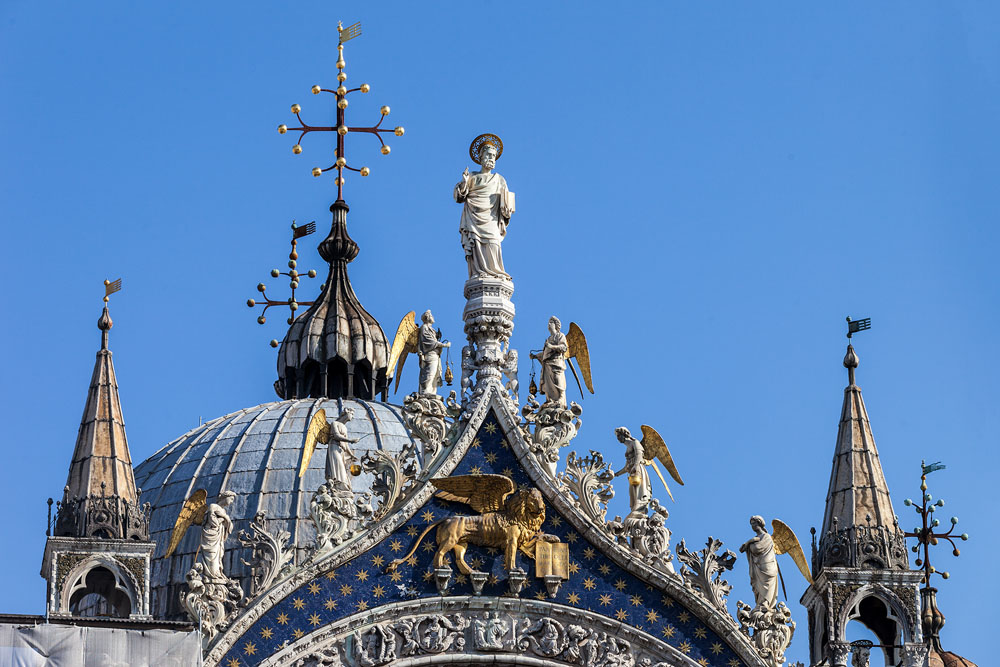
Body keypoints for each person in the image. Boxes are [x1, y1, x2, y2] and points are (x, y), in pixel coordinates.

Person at [454, 140, 514, 280]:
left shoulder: (499, 180)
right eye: (488, 155)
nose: (491, 158)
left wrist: (507, 209)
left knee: (493, 243)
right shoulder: (472, 177)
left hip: (492, 218)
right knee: (476, 245)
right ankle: (478, 272)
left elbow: (506, 202)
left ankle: (495, 272)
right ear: (481, 157)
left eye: (493, 156)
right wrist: (464, 183)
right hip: (474, 218)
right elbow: (459, 197)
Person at [739, 515, 779, 610]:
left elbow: (757, 548)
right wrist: (751, 542)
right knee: (758, 587)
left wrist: (750, 542)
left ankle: (766, 603)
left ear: (760, 523)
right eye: (751, 524)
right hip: (758, 566)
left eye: (754, 523)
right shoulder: (757, 538)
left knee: (767, 585)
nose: (752, 526)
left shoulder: (767, 537)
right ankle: (760, 603)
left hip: (767, 566)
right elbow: (745, 549)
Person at [613, 427, 651, 517]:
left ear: (624, 434)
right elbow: (626, 467)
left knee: (639, 489)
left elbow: (639, 454)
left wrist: (636, 465)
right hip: (632, 472)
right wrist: (616, 474)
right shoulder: (627, 449)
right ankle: (635, 508)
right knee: (632, 492)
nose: (618, 438)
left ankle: (640, 507)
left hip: (638, 469)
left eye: (618, 436)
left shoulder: (635, 442)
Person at [530, 317, 568, 407]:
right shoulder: (548, 338)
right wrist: (535, 356)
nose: (549, 324)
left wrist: (552, 346)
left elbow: (564, 348)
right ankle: (550, 399)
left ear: (556, 325)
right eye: (548, 323)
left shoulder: (560, 335)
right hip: (547, 364)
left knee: (557, 378)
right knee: (547, 384)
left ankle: (561, 398)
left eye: (551, 322)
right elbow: (545, 353)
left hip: (556, 362)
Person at [200, 490, 236, 580]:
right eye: (231, 499)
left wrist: (226, 520)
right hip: (210, 535)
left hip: (218, 537)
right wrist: (224, 518)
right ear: (225, 497)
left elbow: (228, 526)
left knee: (218, 555)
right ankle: (211, 575)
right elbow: (213, 522)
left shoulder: (223, 511)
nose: (231, 502)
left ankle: (217, 572)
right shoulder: (213, 506)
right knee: (211, 555)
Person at [325, 408, 360, 490]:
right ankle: (339, 486)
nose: (352, 416)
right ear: (347, 413)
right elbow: (336, 436)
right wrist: (350, 440)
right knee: (339, 466)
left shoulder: (344, 427)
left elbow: (346, 444)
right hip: (334, 447)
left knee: (342, 469)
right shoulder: (334, 423)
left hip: (341, 450)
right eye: (352, 414)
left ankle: (342, 487)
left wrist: (351, 455)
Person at [417, 310, 450, 395]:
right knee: (429, 373)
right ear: (427, 318)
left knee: (435, 374)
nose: (433, 317)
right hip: (429, 354)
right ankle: (425, 391)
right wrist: (443, 345)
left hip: (435, 355)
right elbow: (428, 341)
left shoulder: (432, 329)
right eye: (431, 316)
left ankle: (432, 392)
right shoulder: (424, 327)